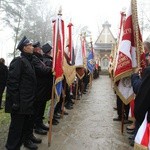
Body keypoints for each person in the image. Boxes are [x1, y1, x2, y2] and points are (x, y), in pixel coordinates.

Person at [5, 36, 38, 150]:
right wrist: (15, 102)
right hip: (19, 103)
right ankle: (11, 147)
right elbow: (12, 83)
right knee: (16, 129)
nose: (32, 46)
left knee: (23, 127)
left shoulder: (29, 61)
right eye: (30, 45)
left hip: (27, 101)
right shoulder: (18, 61)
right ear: (24, 48)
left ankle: (20, 145)